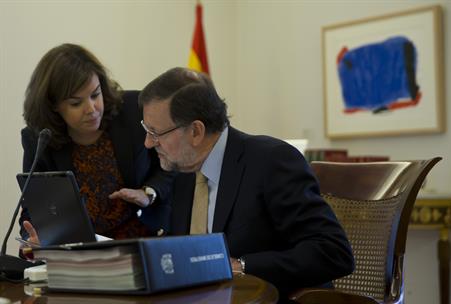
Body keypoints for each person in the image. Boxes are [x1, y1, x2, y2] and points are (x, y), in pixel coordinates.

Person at [138, 67, 355, 300]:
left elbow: (333, 252)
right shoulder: (182, 170)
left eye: (155, 132)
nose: (148, 142)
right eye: (146, 129)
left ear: (196, 131)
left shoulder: (271, 161)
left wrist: (242, 266)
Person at [19, 43, 173, 243]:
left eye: (95, 94)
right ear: (54, 106)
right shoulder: (40, 139)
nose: (91, 109)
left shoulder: (134, 110)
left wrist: (148, 193)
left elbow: (172, 164)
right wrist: (34, 237)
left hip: (148, 240)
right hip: (85, 252)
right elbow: (34, 210)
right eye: (76, 103)